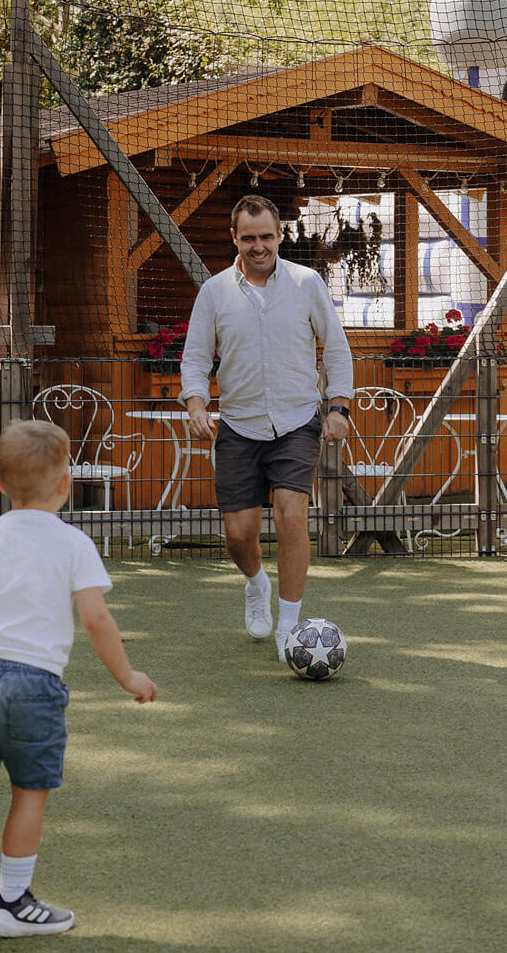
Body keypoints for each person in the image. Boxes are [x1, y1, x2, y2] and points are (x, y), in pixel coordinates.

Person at [0, 419, 158, 939]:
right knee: (28, 791)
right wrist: (128, 675)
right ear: (66, 484)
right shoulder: (73, 544)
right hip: (34, 685)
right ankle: (10, 902)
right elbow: (96, 620)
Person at [180, 194, 354, 662]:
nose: (259, 246)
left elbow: (336, 349)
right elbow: (196, 358)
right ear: (234, 237)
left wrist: (338, 408)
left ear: (279, 235)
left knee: (292, 517)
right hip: (237, 425)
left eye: (266, 237)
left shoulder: (306, 283)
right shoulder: (214, 292)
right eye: (249, 237)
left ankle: (291, 628)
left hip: (298, 422)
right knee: (239, 535)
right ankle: (256, 583)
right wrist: (197, 404)